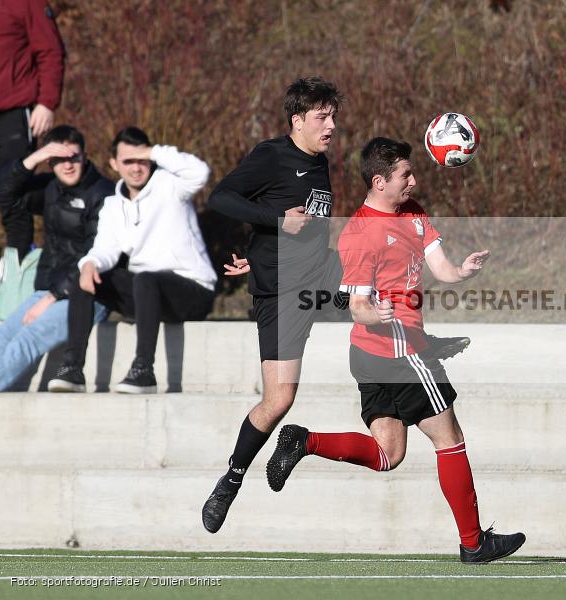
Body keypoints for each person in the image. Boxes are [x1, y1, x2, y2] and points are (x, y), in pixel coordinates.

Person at [201, 78, 471, 534]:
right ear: (297, 120)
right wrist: (272, 229)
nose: (331, 125)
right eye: (322, 117)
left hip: (323, 273)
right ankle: (232, 478)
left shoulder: (321, 162)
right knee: (278, 399)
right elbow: (222, 198)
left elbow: (305, 230)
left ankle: (420, 347)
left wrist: (264, 247)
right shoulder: (270, 155)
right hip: (283, 294)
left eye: (333, 116)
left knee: (381, 291)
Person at [264, 137, 525, 563]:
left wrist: (462, 271)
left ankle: (304, 441)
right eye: (406, 175)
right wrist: (377, 314)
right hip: (398, 352)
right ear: (380, 181)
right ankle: (474, 543)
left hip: (372, 356)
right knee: (450, 439)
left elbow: (439, 268)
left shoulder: (415, 214)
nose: (414, 180)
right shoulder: (361, 235)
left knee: (389, 454)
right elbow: (358, 306)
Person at [46, 127, 216, 394]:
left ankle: (143, 370)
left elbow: (200, 172)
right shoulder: (113, 205)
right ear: (114, 164)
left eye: (141, 160)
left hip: (192, 291)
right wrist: (89, 264)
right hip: (147, 294)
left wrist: (153, 151)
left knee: (145, 278)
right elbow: (105, 249)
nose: (136, 168)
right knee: (85, 275)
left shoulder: (171, 186)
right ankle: (72, 368)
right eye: (128, 161)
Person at [0, 125, 112, 391]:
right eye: (58, 159)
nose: (67, 165)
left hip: (89, 295)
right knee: (1, 338)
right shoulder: (51, 188)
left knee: (28, 339)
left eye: (73, 157)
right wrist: (33, 159)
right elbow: (2, 192)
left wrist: (51, 298)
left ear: (84, 156)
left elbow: (97, 255)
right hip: (49, 289)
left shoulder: (104, 194)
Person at [0, 0, 65, 258]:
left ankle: (18, 268)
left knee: (13, 193)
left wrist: (47, 103)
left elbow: (51, 50)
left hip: (13, 112)